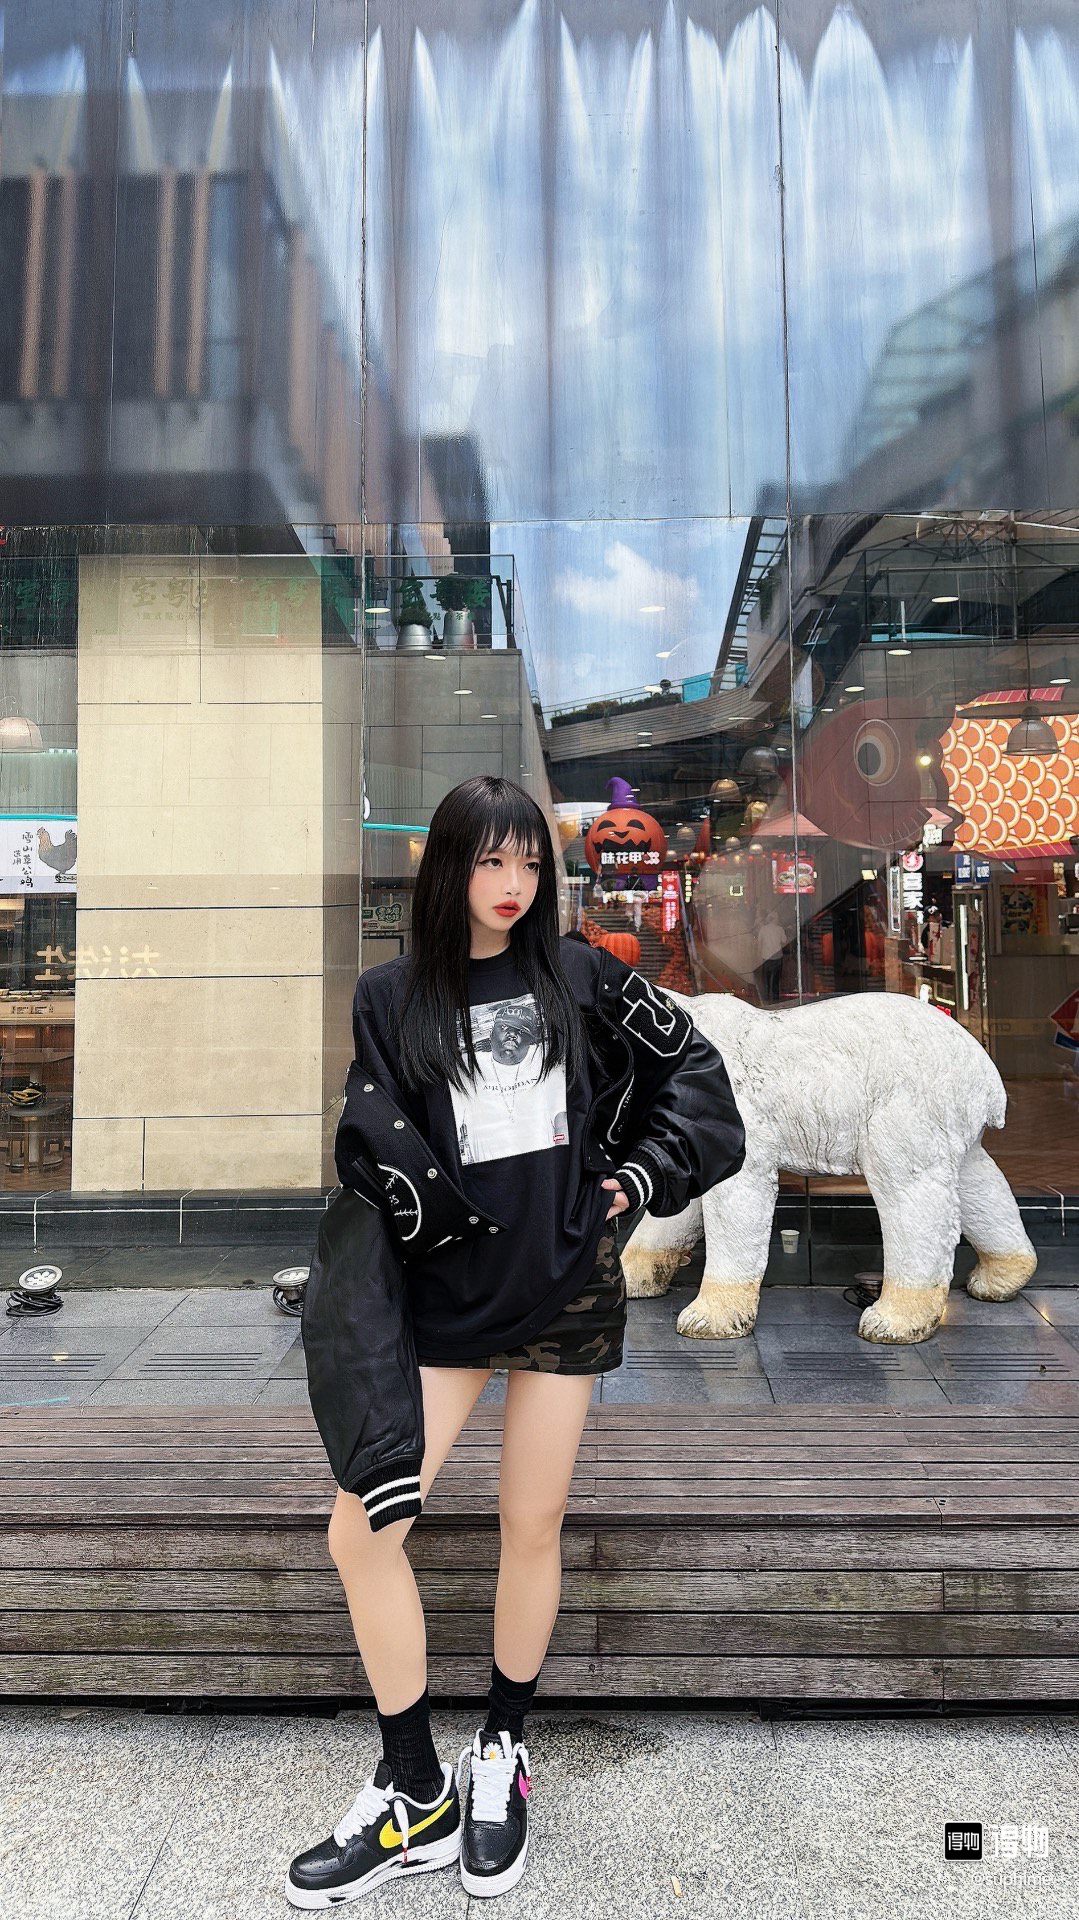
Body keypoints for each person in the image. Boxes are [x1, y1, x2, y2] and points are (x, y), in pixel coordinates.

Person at [285, 774, 745, 1908]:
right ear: (449, 866)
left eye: (529, 863)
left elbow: (694, 1074)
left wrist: (640, 1177)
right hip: (445, 1298)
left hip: (567, 1287)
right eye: (490, 861)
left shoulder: (582, 975)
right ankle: (413, 1791)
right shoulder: (388, 997)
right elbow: (375, 1147)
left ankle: (500, 1749)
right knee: (361, 1531)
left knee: (530, 1525)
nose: (512, 884)